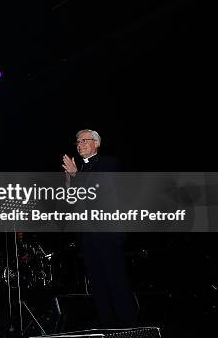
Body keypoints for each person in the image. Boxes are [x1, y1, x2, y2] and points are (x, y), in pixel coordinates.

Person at [62, 129, 138, 328]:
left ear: (97, 143)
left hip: (107, 231)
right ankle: (105, 322)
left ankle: (127, 323)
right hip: (87, 234)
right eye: (77, 141)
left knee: (115, 278)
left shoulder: (108, 163)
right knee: (97, 281)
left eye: (84, 140)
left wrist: (75, 175)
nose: (80, 144)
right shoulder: (80, 169)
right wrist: (70, 179)